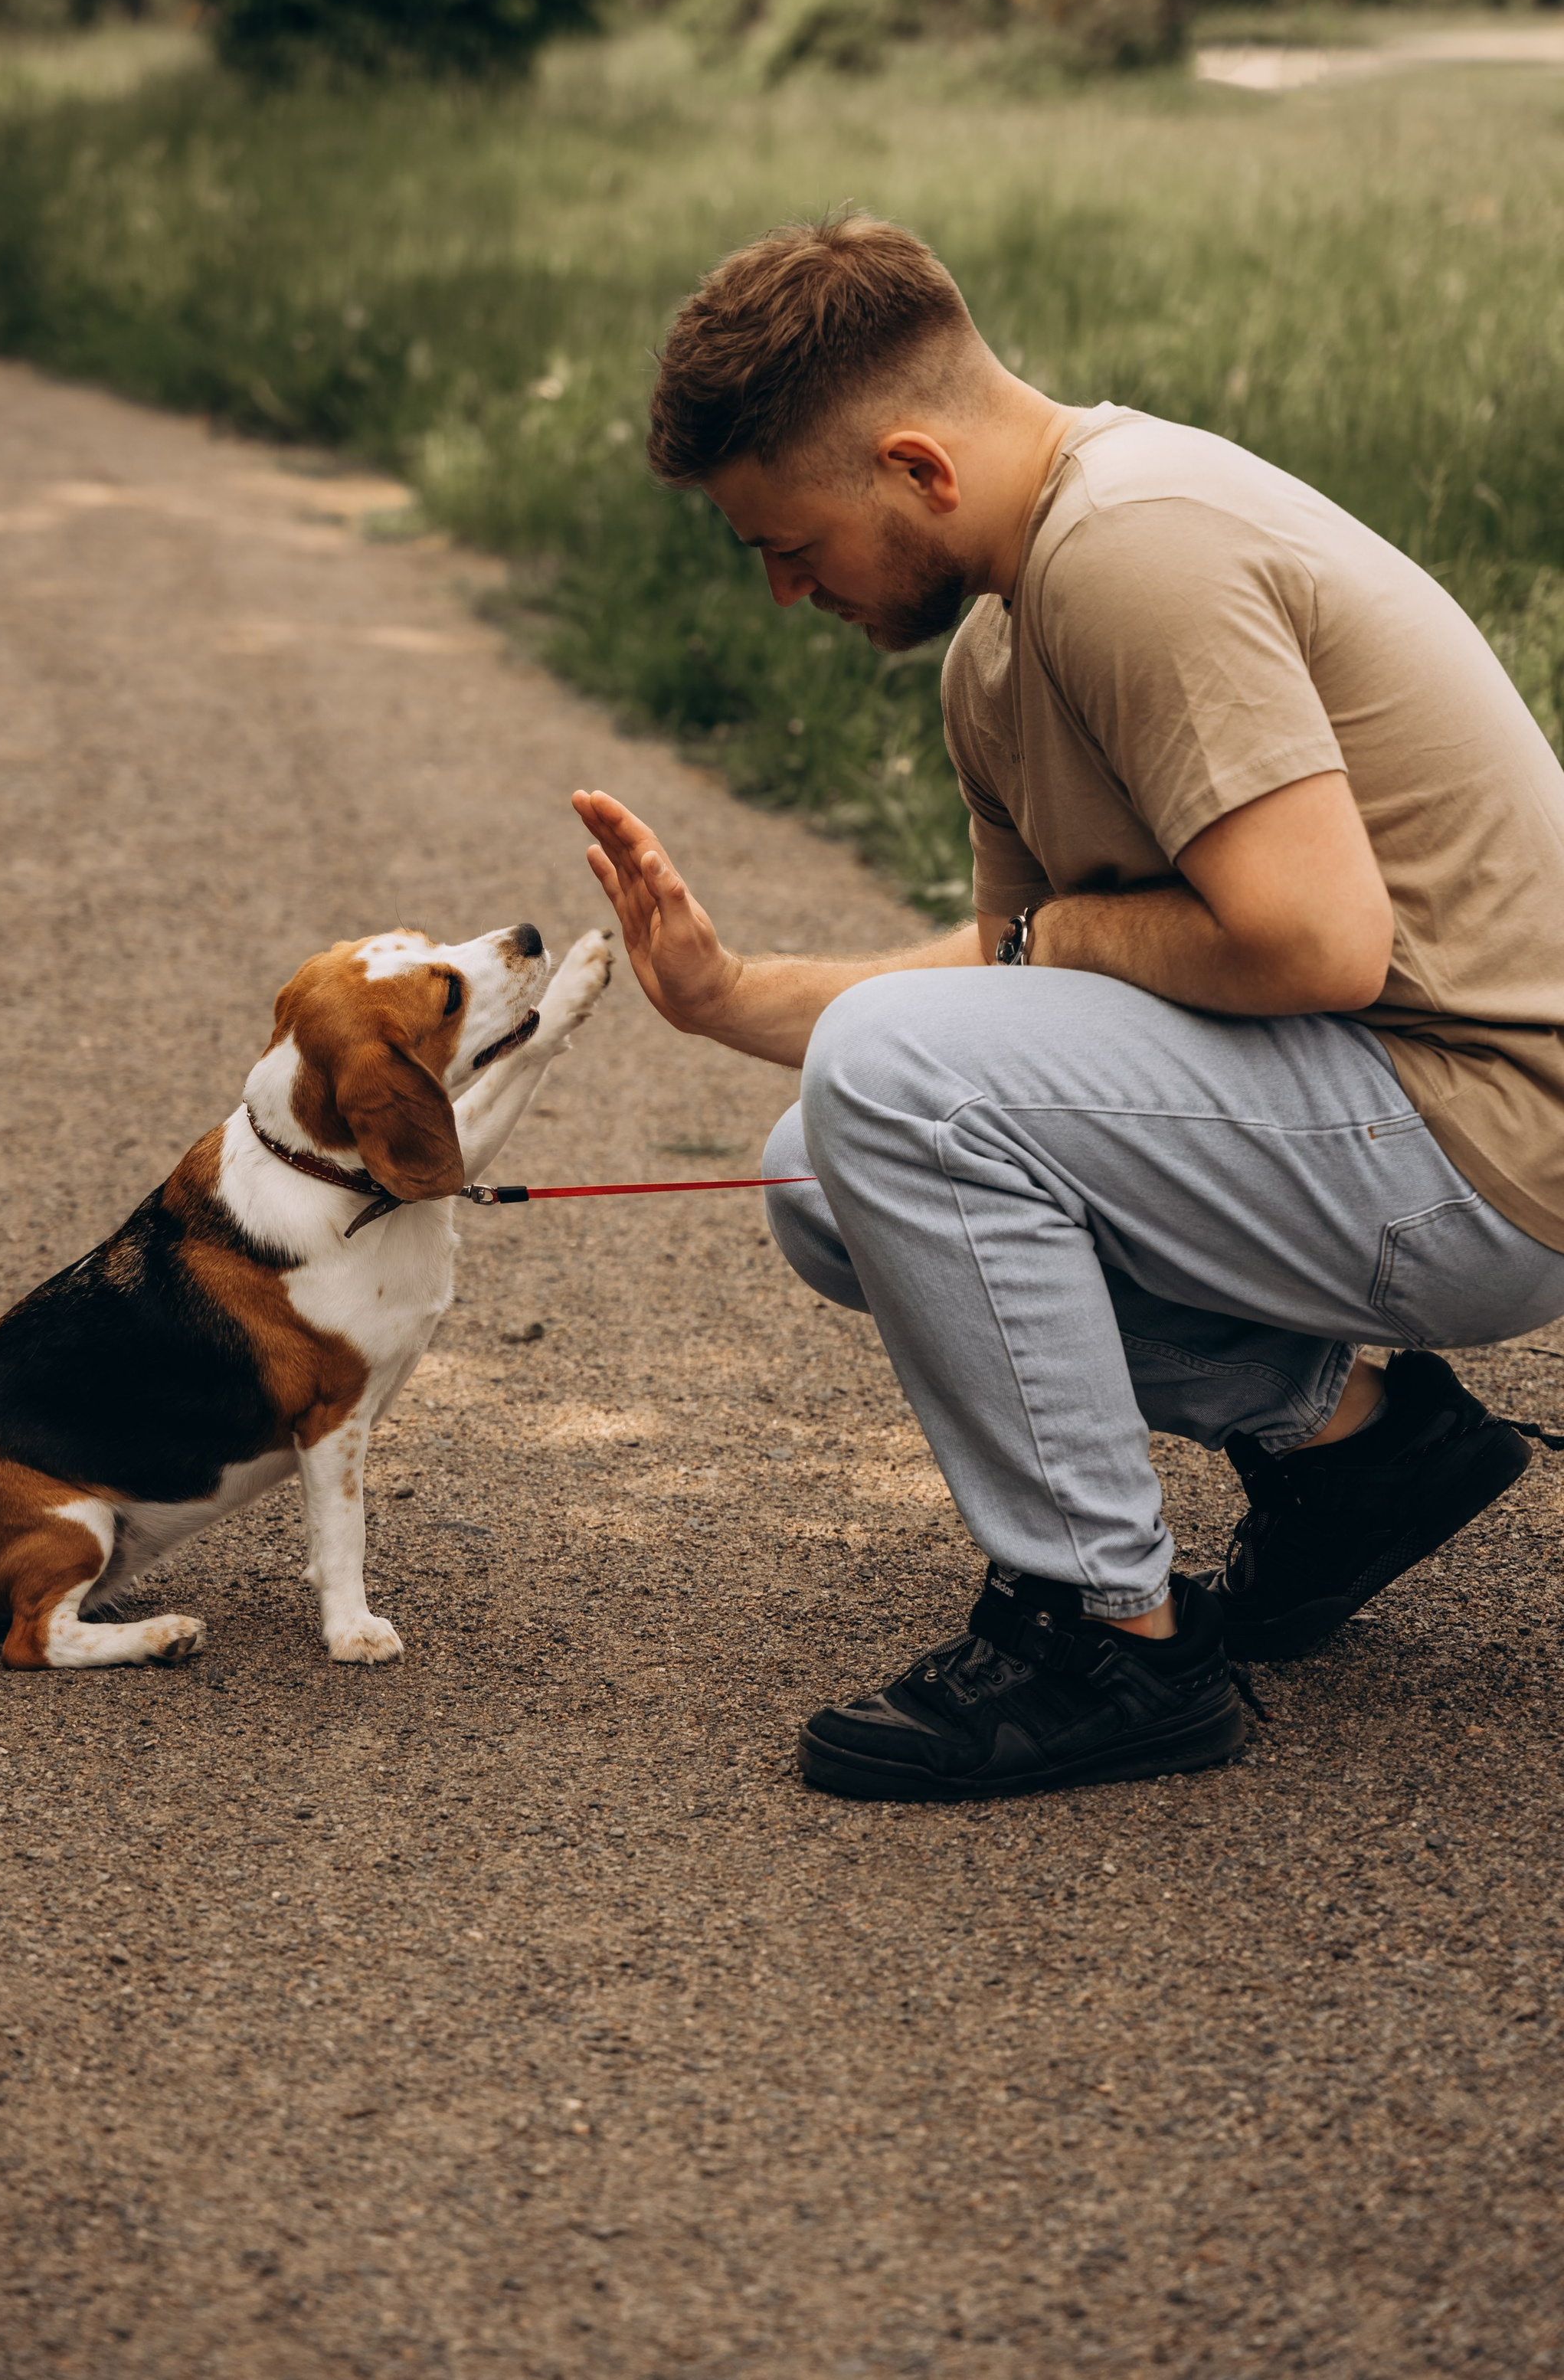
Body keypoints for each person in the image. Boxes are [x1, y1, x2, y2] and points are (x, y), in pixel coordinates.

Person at [573, 214, 1564, 1802]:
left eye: (790, 541)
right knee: (820, 1165)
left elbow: (1313, 943)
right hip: (1366, 1107)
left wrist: (1059, 935)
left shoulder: (1131, 548)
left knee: (888, 1085)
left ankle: (1107, 1635)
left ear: (915, 466)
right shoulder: (999, 650)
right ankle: (1357, 1449)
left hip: (1488, 1139)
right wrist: (728, 995)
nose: (781, 590)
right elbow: (1013, 984)